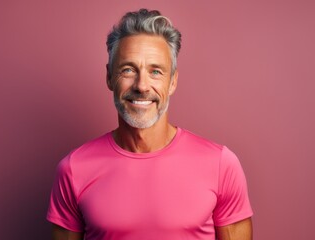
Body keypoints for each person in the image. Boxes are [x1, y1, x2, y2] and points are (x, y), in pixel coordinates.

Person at [47, 9, 253, 240]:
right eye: (128, 69)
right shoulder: (73, 169)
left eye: (155, 71)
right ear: (109, 77)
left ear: (172, 81)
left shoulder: (221, 165)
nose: (142, 86)